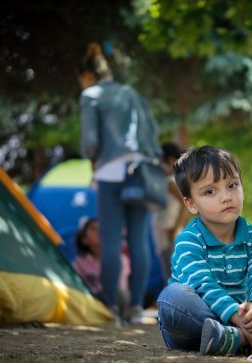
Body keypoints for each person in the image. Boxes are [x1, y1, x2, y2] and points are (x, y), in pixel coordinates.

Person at [157, 146, 252, 360]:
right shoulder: (189, 239)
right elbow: (202, 283)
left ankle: (235, 339)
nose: (226, 197)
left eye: (232, 185)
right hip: (191, 326)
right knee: (172, 297)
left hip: (241, 319)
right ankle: (251, 339)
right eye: (210, 191)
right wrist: (236, 315)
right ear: (191, 203)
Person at [78, 42, 163, 323]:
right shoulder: (131, 93)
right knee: (139, 240)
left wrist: (91, 158)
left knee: (111, 241)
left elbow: (91, 141)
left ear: (87, 77)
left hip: (110, 171)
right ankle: (137, 308)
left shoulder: (90, 95)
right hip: (140, 169)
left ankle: (112, 307)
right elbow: (152, 128)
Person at [71, 217, 131, 314]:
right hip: (91, 300)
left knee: (121, 295)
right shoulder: (79, 263)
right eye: (93, 229)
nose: (99, 232)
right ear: (84, 239)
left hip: (116, 299)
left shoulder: (120, 259)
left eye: (103, 229)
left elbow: (122, 285)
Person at [153, 142, 189, 282]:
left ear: (168, 159)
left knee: (172, 273)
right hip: (168, 231)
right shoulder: (174, 180)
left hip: (170, 231)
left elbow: (186, 205)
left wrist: (174, 229)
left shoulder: (170, 181)